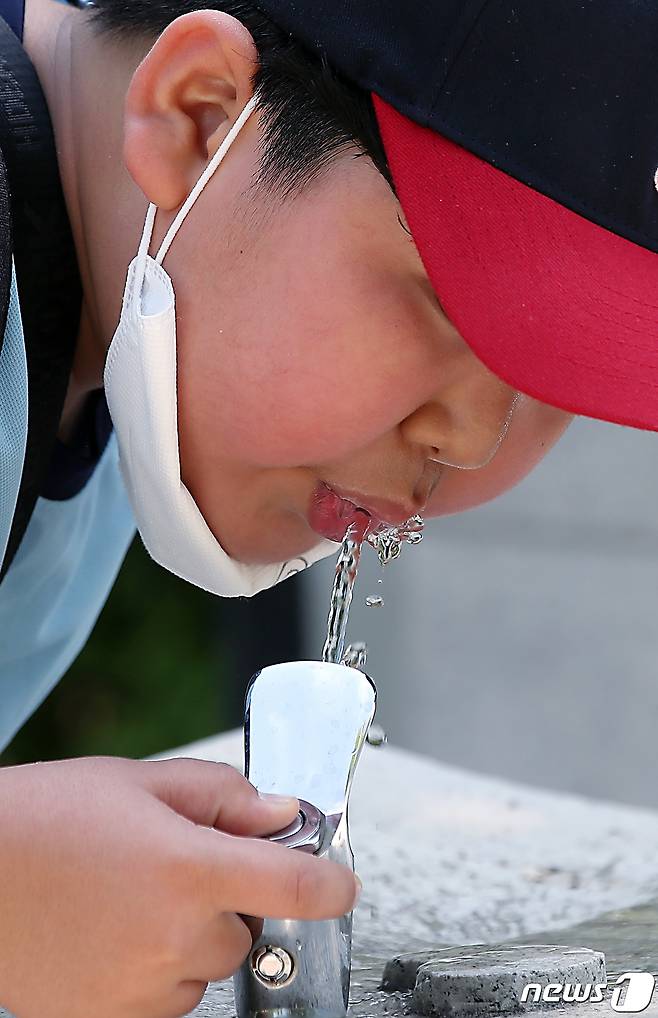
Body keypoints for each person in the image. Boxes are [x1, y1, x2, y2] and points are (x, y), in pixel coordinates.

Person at [0, 0, 654, 1013]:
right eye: (444, 301)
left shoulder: (130, 319)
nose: (469, 439)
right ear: (201, 114)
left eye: (552, 377)